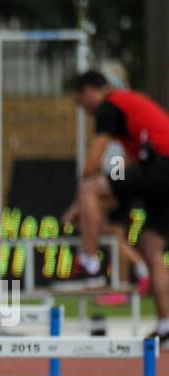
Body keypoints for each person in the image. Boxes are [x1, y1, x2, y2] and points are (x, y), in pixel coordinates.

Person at [63, 70, 169, 341]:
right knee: (151, 246)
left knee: (89, 187)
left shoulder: (109, 106)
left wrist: (80, 202)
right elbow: (128, 168)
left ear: (88, 91)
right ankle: (167, 325)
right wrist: (101, 199)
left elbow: (92, 164)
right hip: (159, 175)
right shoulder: (130, 114)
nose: (83, 110)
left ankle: (90, 266)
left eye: (80, 102)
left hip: (162, 166)